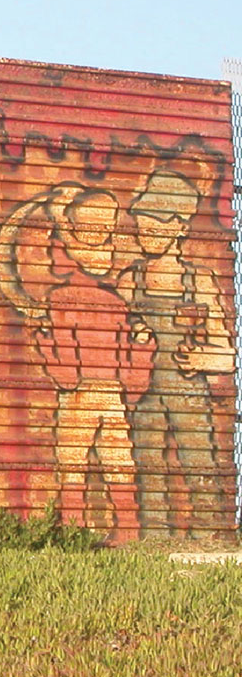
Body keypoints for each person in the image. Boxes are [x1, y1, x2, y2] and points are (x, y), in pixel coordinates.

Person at [119, 168, 235, 535]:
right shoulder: (129, 280)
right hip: (144, 394)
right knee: (149, 469)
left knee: (200, 464)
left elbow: (227, 353)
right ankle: (153, 543)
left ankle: (209, 539)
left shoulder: (197, 280)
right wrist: (132, 337)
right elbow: (112, 341)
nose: (148, 231)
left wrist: (204, 358)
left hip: (189, 393)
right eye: (144, 223)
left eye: (159, 223)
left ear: (181, 227)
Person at [33, 183, 155, 523]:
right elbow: (134, 381)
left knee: (73, 462)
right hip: (112, 396)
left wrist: (45, 341)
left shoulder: (62, 301)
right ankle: (127, 529)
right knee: (119, 462)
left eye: (107, 231)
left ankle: (75, 528)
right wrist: (144, 347)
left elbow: (66, 375)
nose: (108, 242)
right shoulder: (116, 305)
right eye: (95, 232)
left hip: (81, 396)